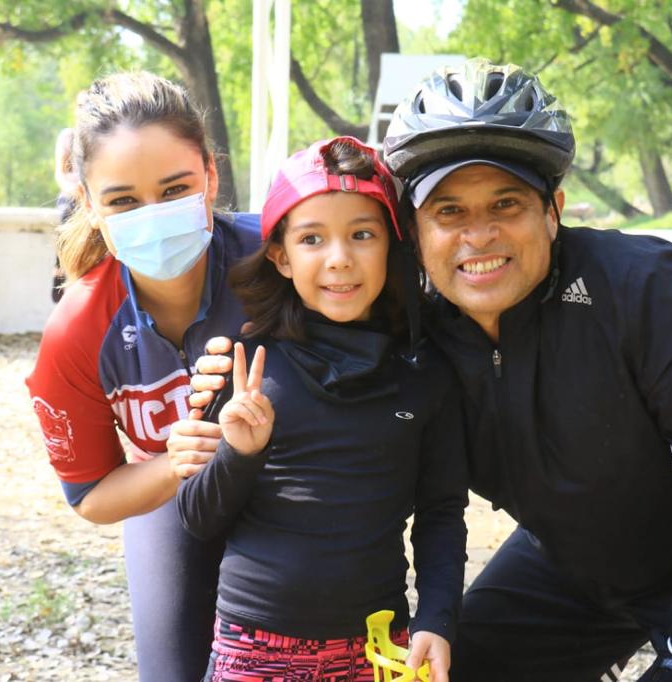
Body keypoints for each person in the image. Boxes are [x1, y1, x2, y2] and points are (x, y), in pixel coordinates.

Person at [189, 59, 672, 682]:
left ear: (553, 211)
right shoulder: (419, 329)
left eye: (506, 204)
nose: (479, 235)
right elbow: (309, 299)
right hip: (578, 557)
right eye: (448, 212)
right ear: (413, 231)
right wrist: (220, 368)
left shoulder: (645, 293)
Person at [174, 136, 468, 682]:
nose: (340, 259)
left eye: (362, 234)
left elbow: (441, 511)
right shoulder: (245, 366)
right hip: (253, 648)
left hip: (378, 644)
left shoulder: (425, 374)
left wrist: (438, 617)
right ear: (281, 257)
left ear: (392, 245)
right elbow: (197, 517)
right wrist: (239, 453)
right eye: (312, 239)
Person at [24, 71, 261, 681]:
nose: (153, 216)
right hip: (173, 500)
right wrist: (174, 464)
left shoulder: (282, 259)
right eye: (124, 200)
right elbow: (91, 495)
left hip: (299, 489)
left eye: (175, 189)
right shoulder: (76, 331)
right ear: (89, 204)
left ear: (211, 177)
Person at [51, 97, 84, 303]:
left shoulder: (104, 136)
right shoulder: (68, 136)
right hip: (72, 197)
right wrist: (75, 190)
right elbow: (61, 173)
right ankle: (61, 268)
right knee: (67, 213)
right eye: (80, 105)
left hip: (93, 198)